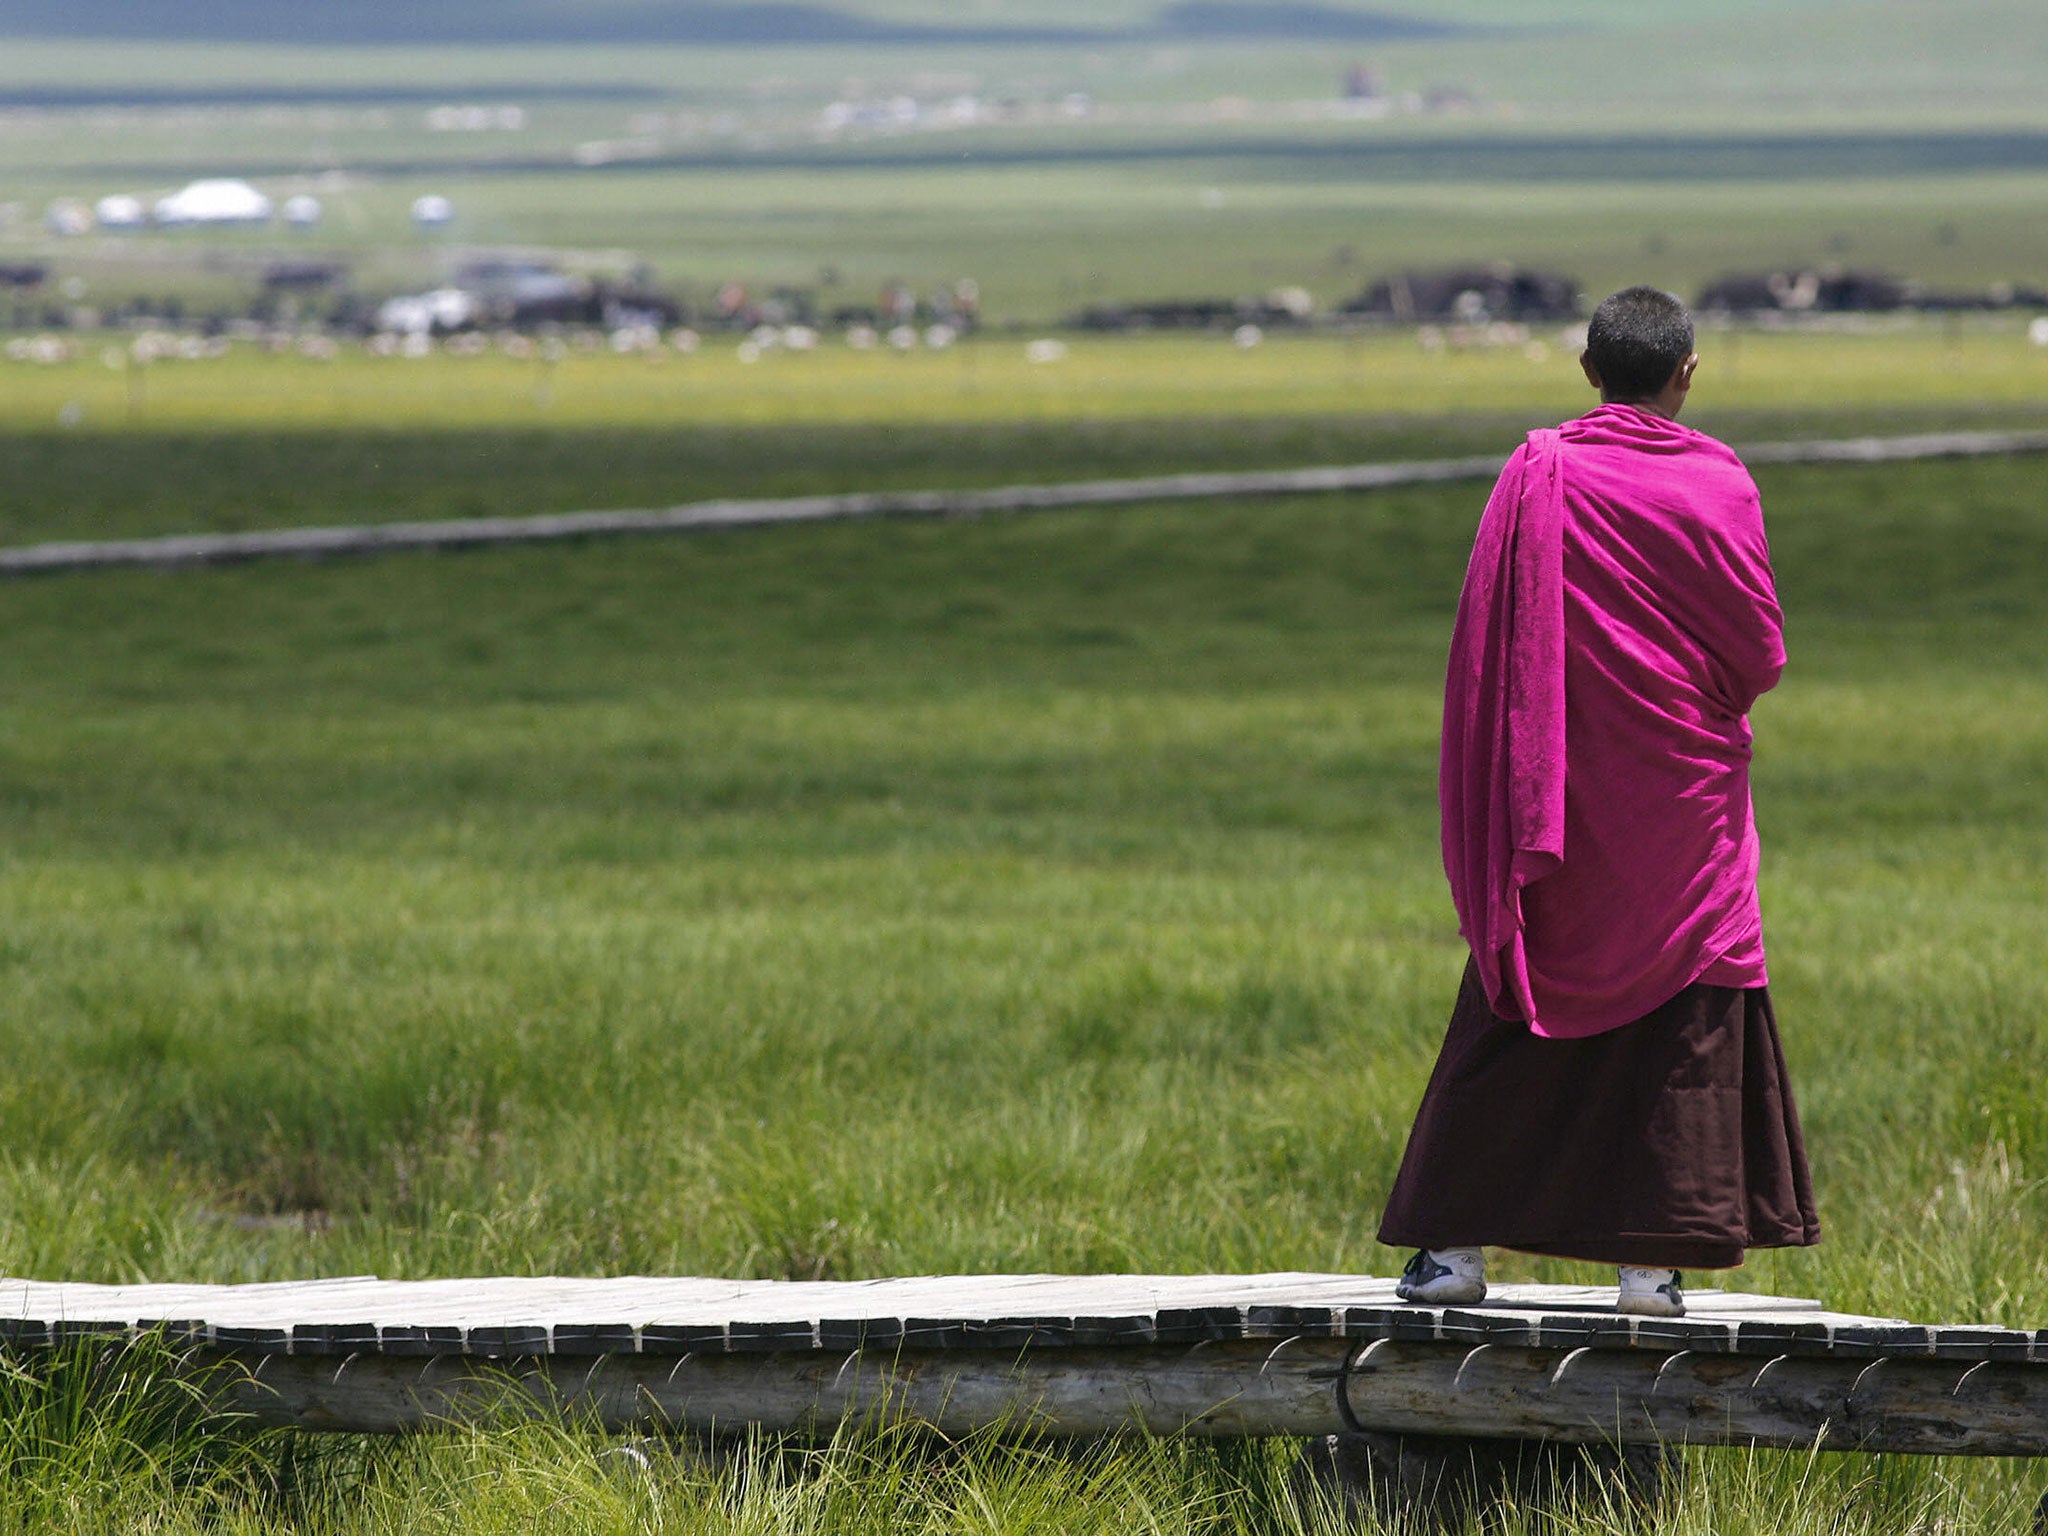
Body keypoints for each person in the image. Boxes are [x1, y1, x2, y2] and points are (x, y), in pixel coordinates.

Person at [1377, 286, 1820, 1318]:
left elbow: (1496, 639)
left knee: (1524, 978)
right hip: (1682, 800)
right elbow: (1758, 652)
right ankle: (1649, 1270)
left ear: (1586, 372)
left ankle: (1450, 1256)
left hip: (1561, 800)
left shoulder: (1540, 472)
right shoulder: (1719, 482)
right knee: (1681, 1008)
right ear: (1686, 375)